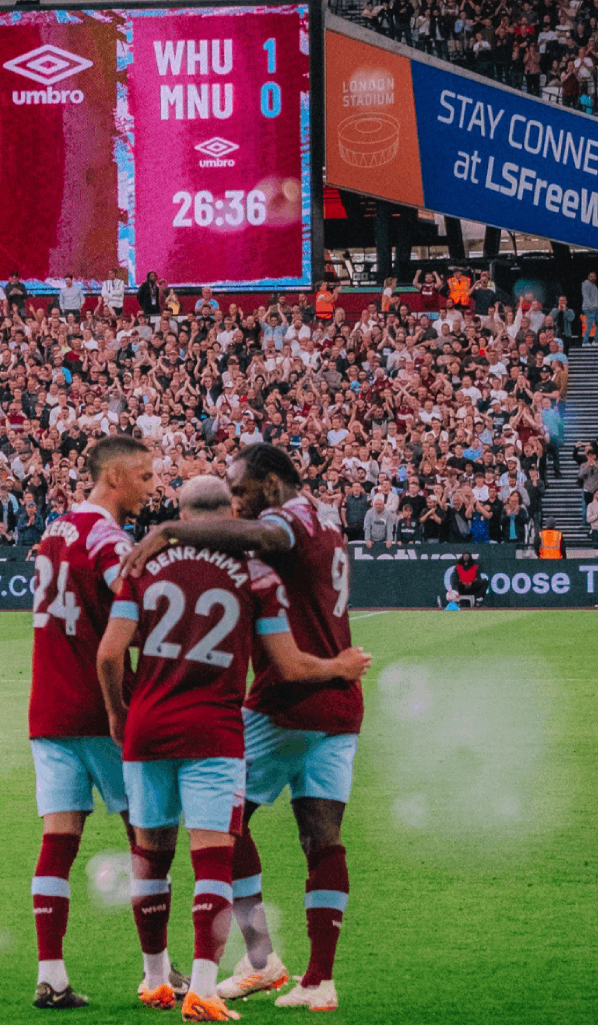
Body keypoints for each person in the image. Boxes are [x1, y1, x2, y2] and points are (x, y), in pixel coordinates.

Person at [97, 476, 370, 1018]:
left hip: (148, 726)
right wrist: (339, 666)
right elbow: (290, 663)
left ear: (179, 510)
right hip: (223, 727)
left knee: (150, 856)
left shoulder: (142, 566)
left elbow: (109, 655)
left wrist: (117, 711)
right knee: (221, 856)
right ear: (228, 517)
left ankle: (158, 977)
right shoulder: (258, 570)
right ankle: (214, 984)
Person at [25, 435, 155, 1010]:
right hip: (104, 710)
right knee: (145, 839)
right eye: (146, 477)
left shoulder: (56, 529)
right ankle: (158, 972)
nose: (153, 488)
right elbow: (134, 605)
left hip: (47, 708)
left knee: (58, 843)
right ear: (117, 479)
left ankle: (50, 974)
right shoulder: (108, 537)